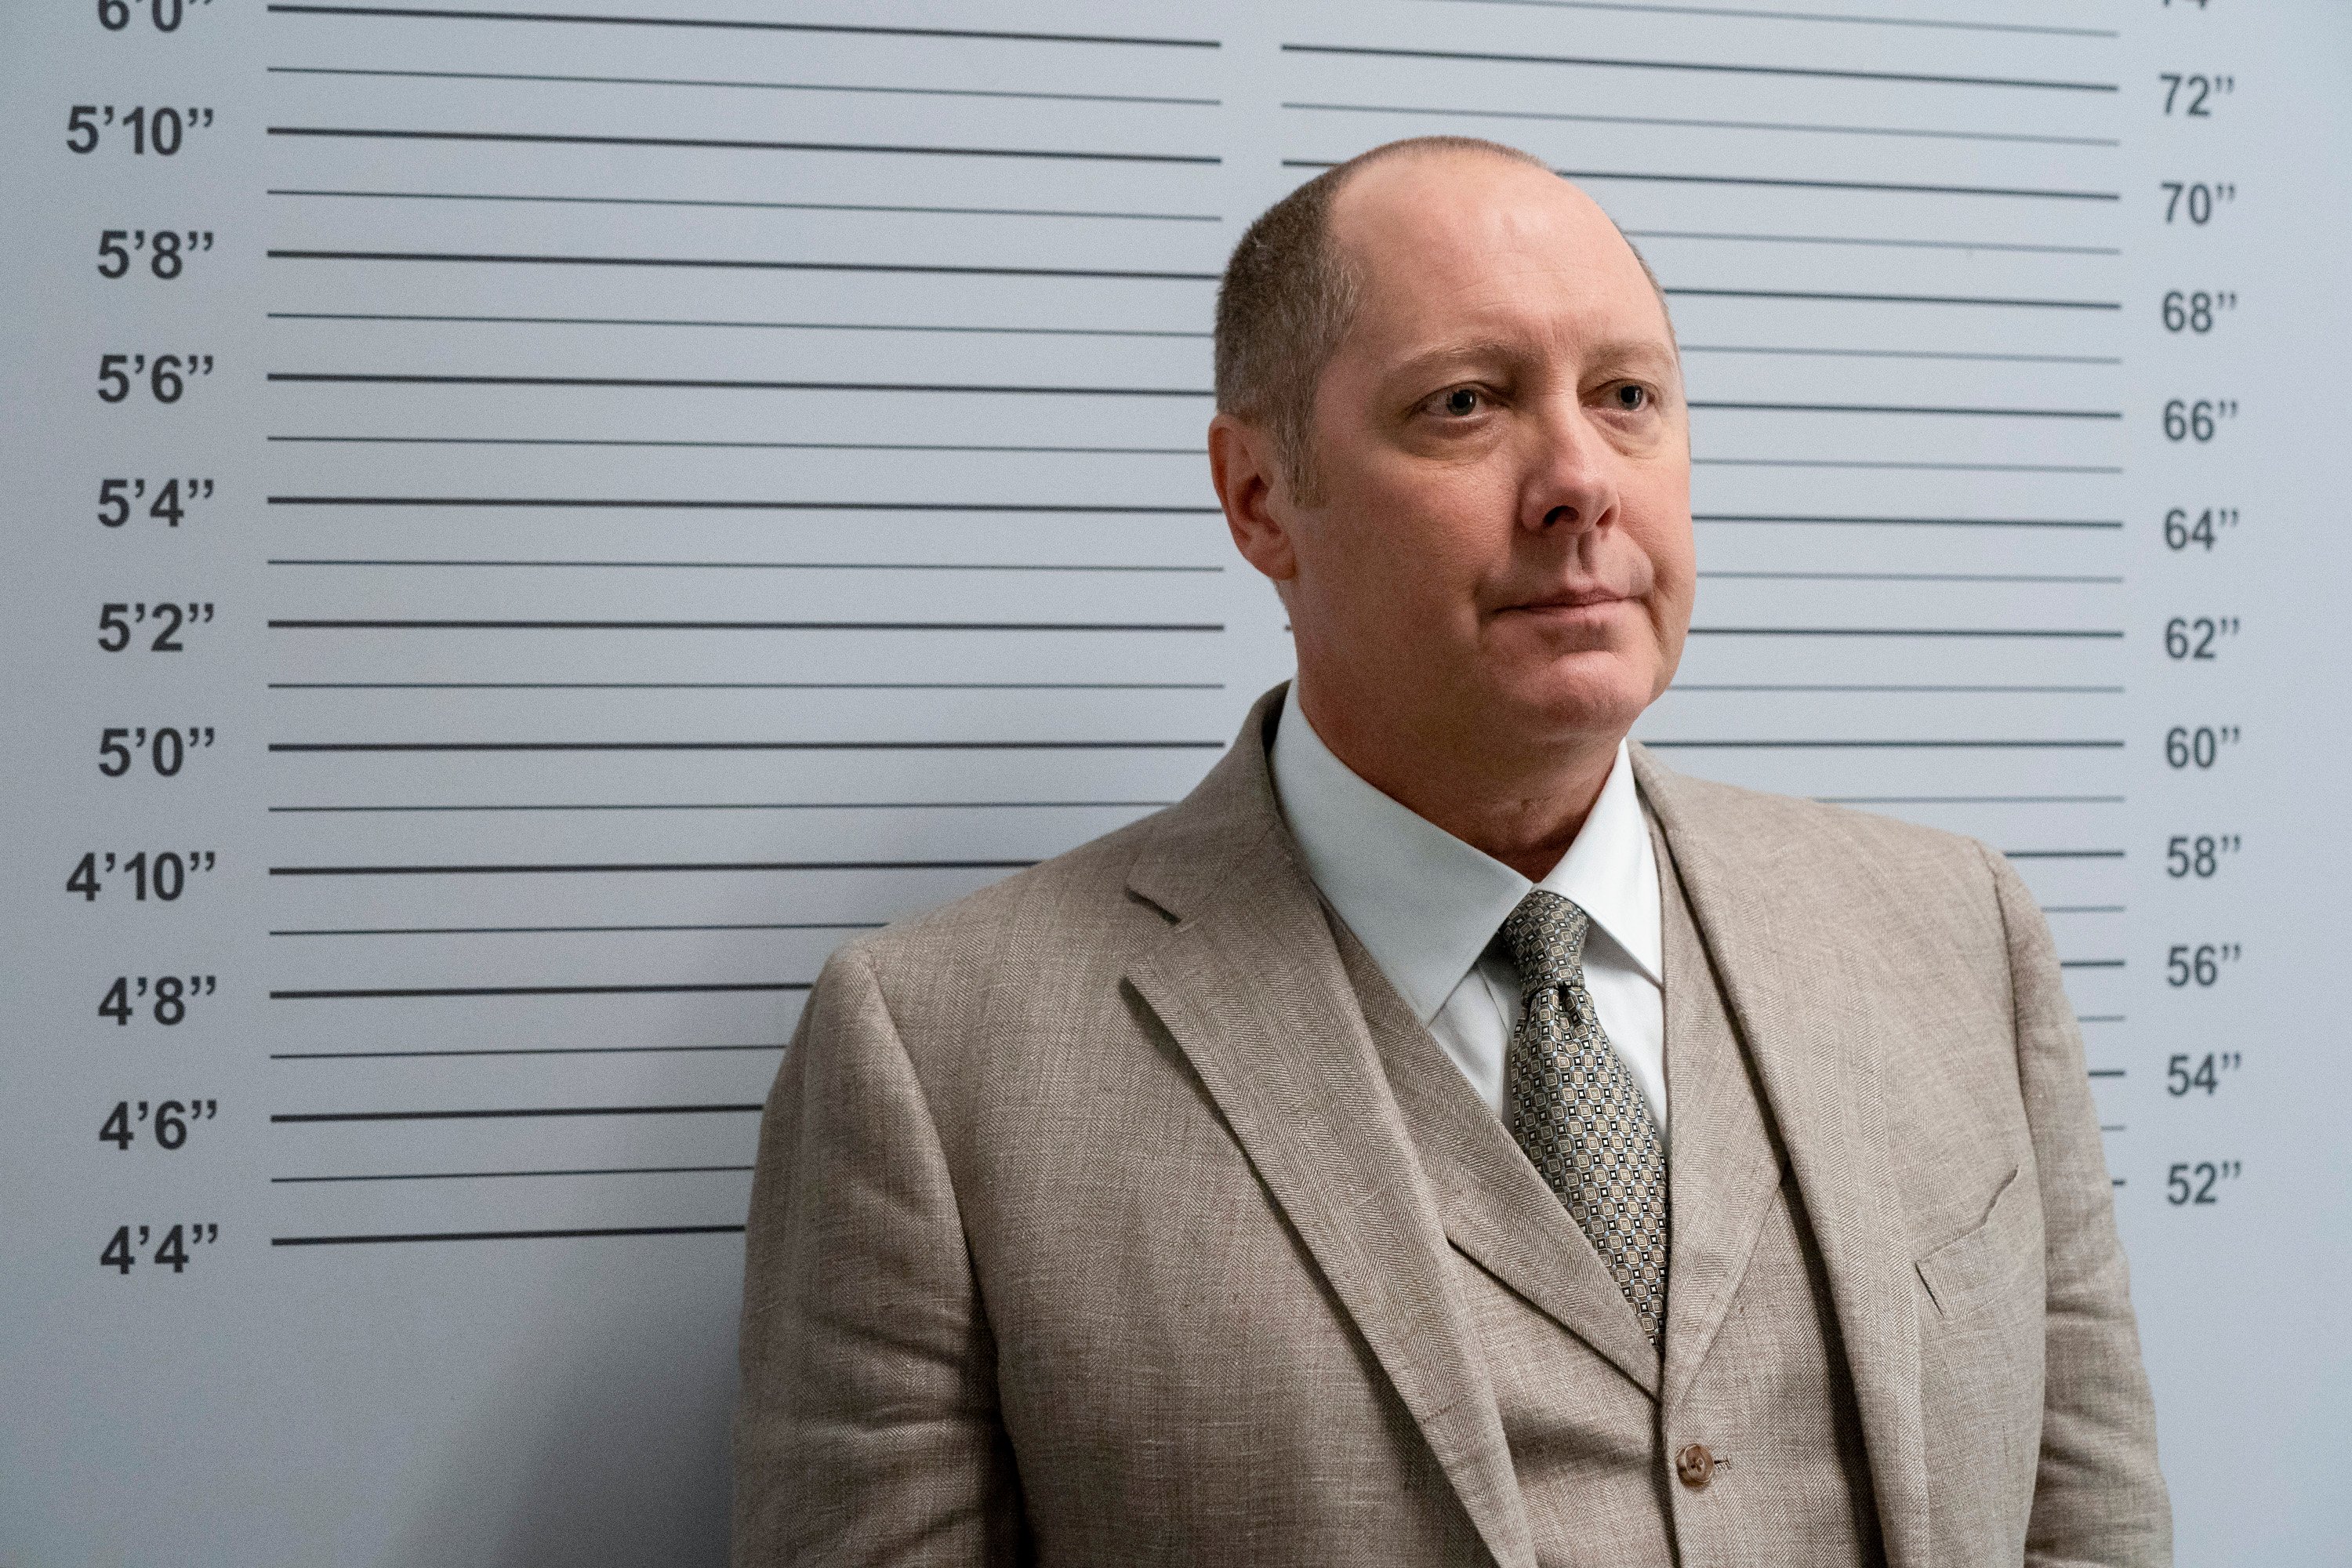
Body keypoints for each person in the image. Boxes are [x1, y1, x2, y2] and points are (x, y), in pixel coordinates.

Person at [731, 136, 2169, 1567]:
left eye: (1626, 398)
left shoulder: (1956, 933)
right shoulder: (936, 1055)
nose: (1579, 483)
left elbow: (2090, 1529)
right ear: (1259, 499)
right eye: (1466, 404)